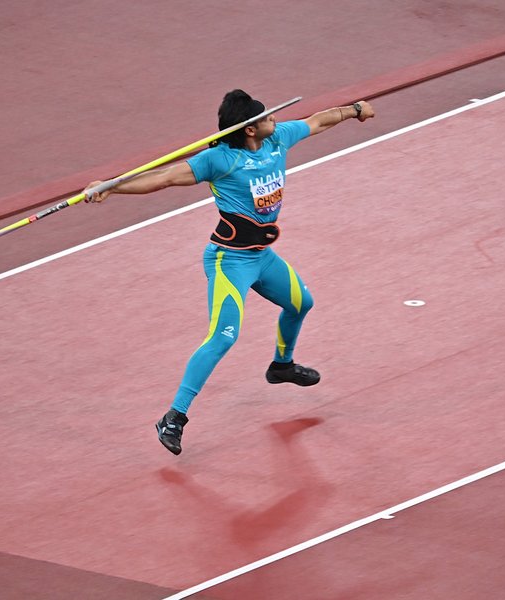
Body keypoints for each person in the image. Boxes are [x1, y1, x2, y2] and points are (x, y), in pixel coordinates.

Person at [84, 89, 375, 455]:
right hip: (229, 262)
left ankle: (281, 367)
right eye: (265, 115)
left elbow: (319, 120)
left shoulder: (278, 138)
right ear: (249, 129)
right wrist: (110, 187)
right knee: (224, 337)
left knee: (302, 304)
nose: (274, 116)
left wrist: (354, 110)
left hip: (262, 257)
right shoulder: (218, 160)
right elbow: (166, 178)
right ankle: (174, 417)